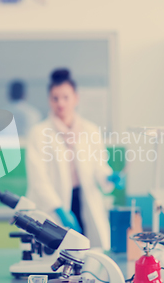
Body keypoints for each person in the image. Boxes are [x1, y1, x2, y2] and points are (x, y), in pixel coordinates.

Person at [25, 68, 122, 250]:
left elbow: (99, 166)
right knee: (58, 257)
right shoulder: (39, 133)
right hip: (55, 207)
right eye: (55, 98)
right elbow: (39, 180)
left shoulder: (90, 130)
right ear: (49, 100)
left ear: (76, 98)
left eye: (65, 97)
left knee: (89, 256)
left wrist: (108, 176)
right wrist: (59, 208)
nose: (60, 103)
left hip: (85, 201)